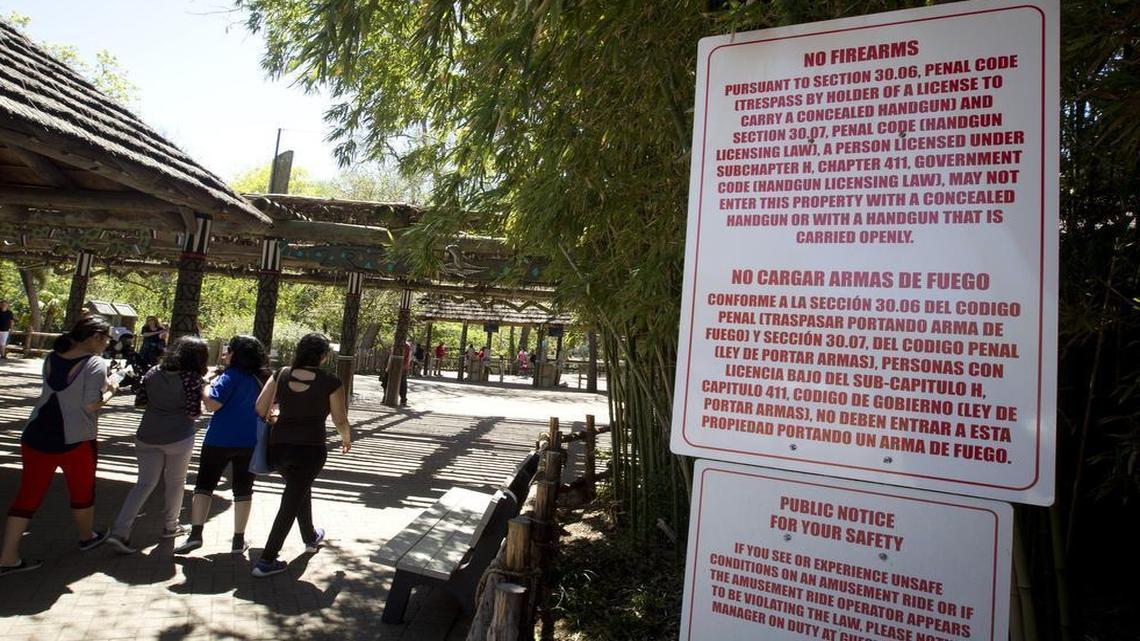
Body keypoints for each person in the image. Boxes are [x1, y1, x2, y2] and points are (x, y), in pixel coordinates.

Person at [0, 316, 114, 575]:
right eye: (105, 338)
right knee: (82, 490)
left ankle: (8, 557)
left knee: (28, 494)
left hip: (36, 432)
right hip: (75, 438)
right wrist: (111, 390)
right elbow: (90, 404)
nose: (107, 344)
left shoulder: (52, 357)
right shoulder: (95, 363)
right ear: (95, 337)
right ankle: (87, 536)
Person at [251, 333, 351, 577]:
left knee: (298, 489)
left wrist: (277, 418)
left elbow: (260, 408)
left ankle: (310, 536)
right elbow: (339, 418)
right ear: (324, 356)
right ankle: (267, 560)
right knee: (291, 499)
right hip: (311, 448)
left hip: (279, 446)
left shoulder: (281, 374)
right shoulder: (331, 381)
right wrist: (346, 437)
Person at [105, 336, 209, 554]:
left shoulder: (153, 372)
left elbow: (140, 402)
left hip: (147, 434)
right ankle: (171, 525)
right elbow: (193, 411)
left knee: (143, 483)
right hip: (179, 436)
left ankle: (120, 531)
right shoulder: (192, 378)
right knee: (176, 481)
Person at [173, 335, 268, 555]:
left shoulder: (229, 376)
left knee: (204, 485)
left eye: (228, 350)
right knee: (244, 490)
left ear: (236, 354)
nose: (225, 354)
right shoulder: (261, 378)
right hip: (249, 440)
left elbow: (213, 404)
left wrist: (206, 386)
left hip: (219, 439)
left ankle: (196, 534)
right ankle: (238, 540)